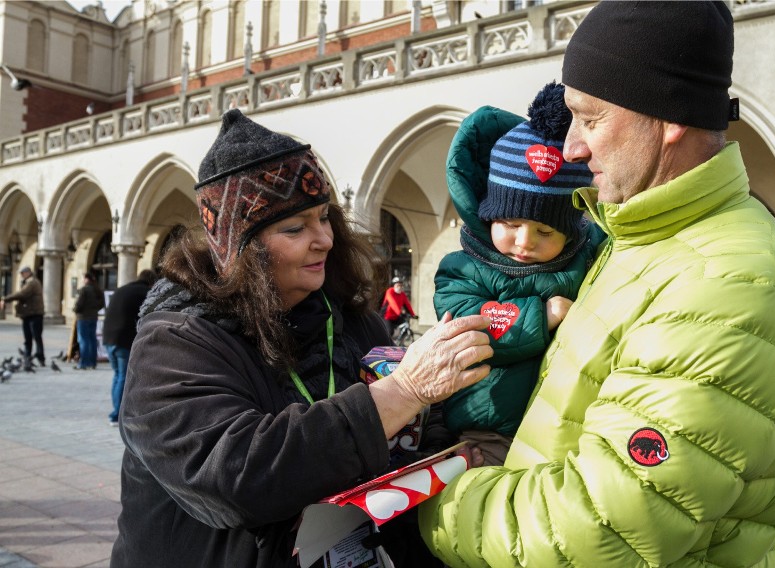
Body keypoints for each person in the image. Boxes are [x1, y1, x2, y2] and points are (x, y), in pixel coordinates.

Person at [419, 2, 775, 566]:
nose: (570, 147)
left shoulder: (731, 285)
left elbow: (597, 532)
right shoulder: (636, 242)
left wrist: (425, 500)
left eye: (590, 119)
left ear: (669, 119)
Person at [110, 109, 493, 568]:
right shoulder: (175, 341)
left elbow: (418, 429)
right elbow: (235, 478)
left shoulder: (353, 320)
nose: (324, 239)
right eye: (294, 228)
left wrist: (452, 446)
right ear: (237, 251)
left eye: (324, 218)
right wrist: (402, 392)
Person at [433, 82, 605, 466]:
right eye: (510, 222)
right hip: (487, 426)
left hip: (567, 425)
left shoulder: (587, 257)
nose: (524, 241)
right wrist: (542, 316)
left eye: (545, 232)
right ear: (490, 214)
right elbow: (470, 325)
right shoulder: (463, 268)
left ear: (570, 231)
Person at [102, 269, 158, 426]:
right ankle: (117, 415)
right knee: (124, 377)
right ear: (152, 282)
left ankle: (115, 412)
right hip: (123, 340)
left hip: (108, 338)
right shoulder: (144, 292)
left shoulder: (123, 289)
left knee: (117, 375)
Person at [0, 266, 45, 367]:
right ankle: (27, 357)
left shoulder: (32, 282)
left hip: (35, 314)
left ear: (28, 272)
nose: (21, 275)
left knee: (36, 337)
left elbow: (22, 294)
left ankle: (40, 357)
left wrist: (5, 299)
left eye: (22, 273)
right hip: (28, 314)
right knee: (28, 338)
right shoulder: (27, 282)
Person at [72, 272, 105, 370]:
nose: (82, 280)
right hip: (93, 317)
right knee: (92, 340)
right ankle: (92, 362)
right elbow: (102, 304)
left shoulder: (84, 289)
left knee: (84, 340)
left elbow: (79, 303)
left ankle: (84, 363)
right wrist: (94, 310)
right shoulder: (98, 290)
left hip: (83, 317)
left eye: (83, 278)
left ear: (87, 279)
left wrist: (75, 310)